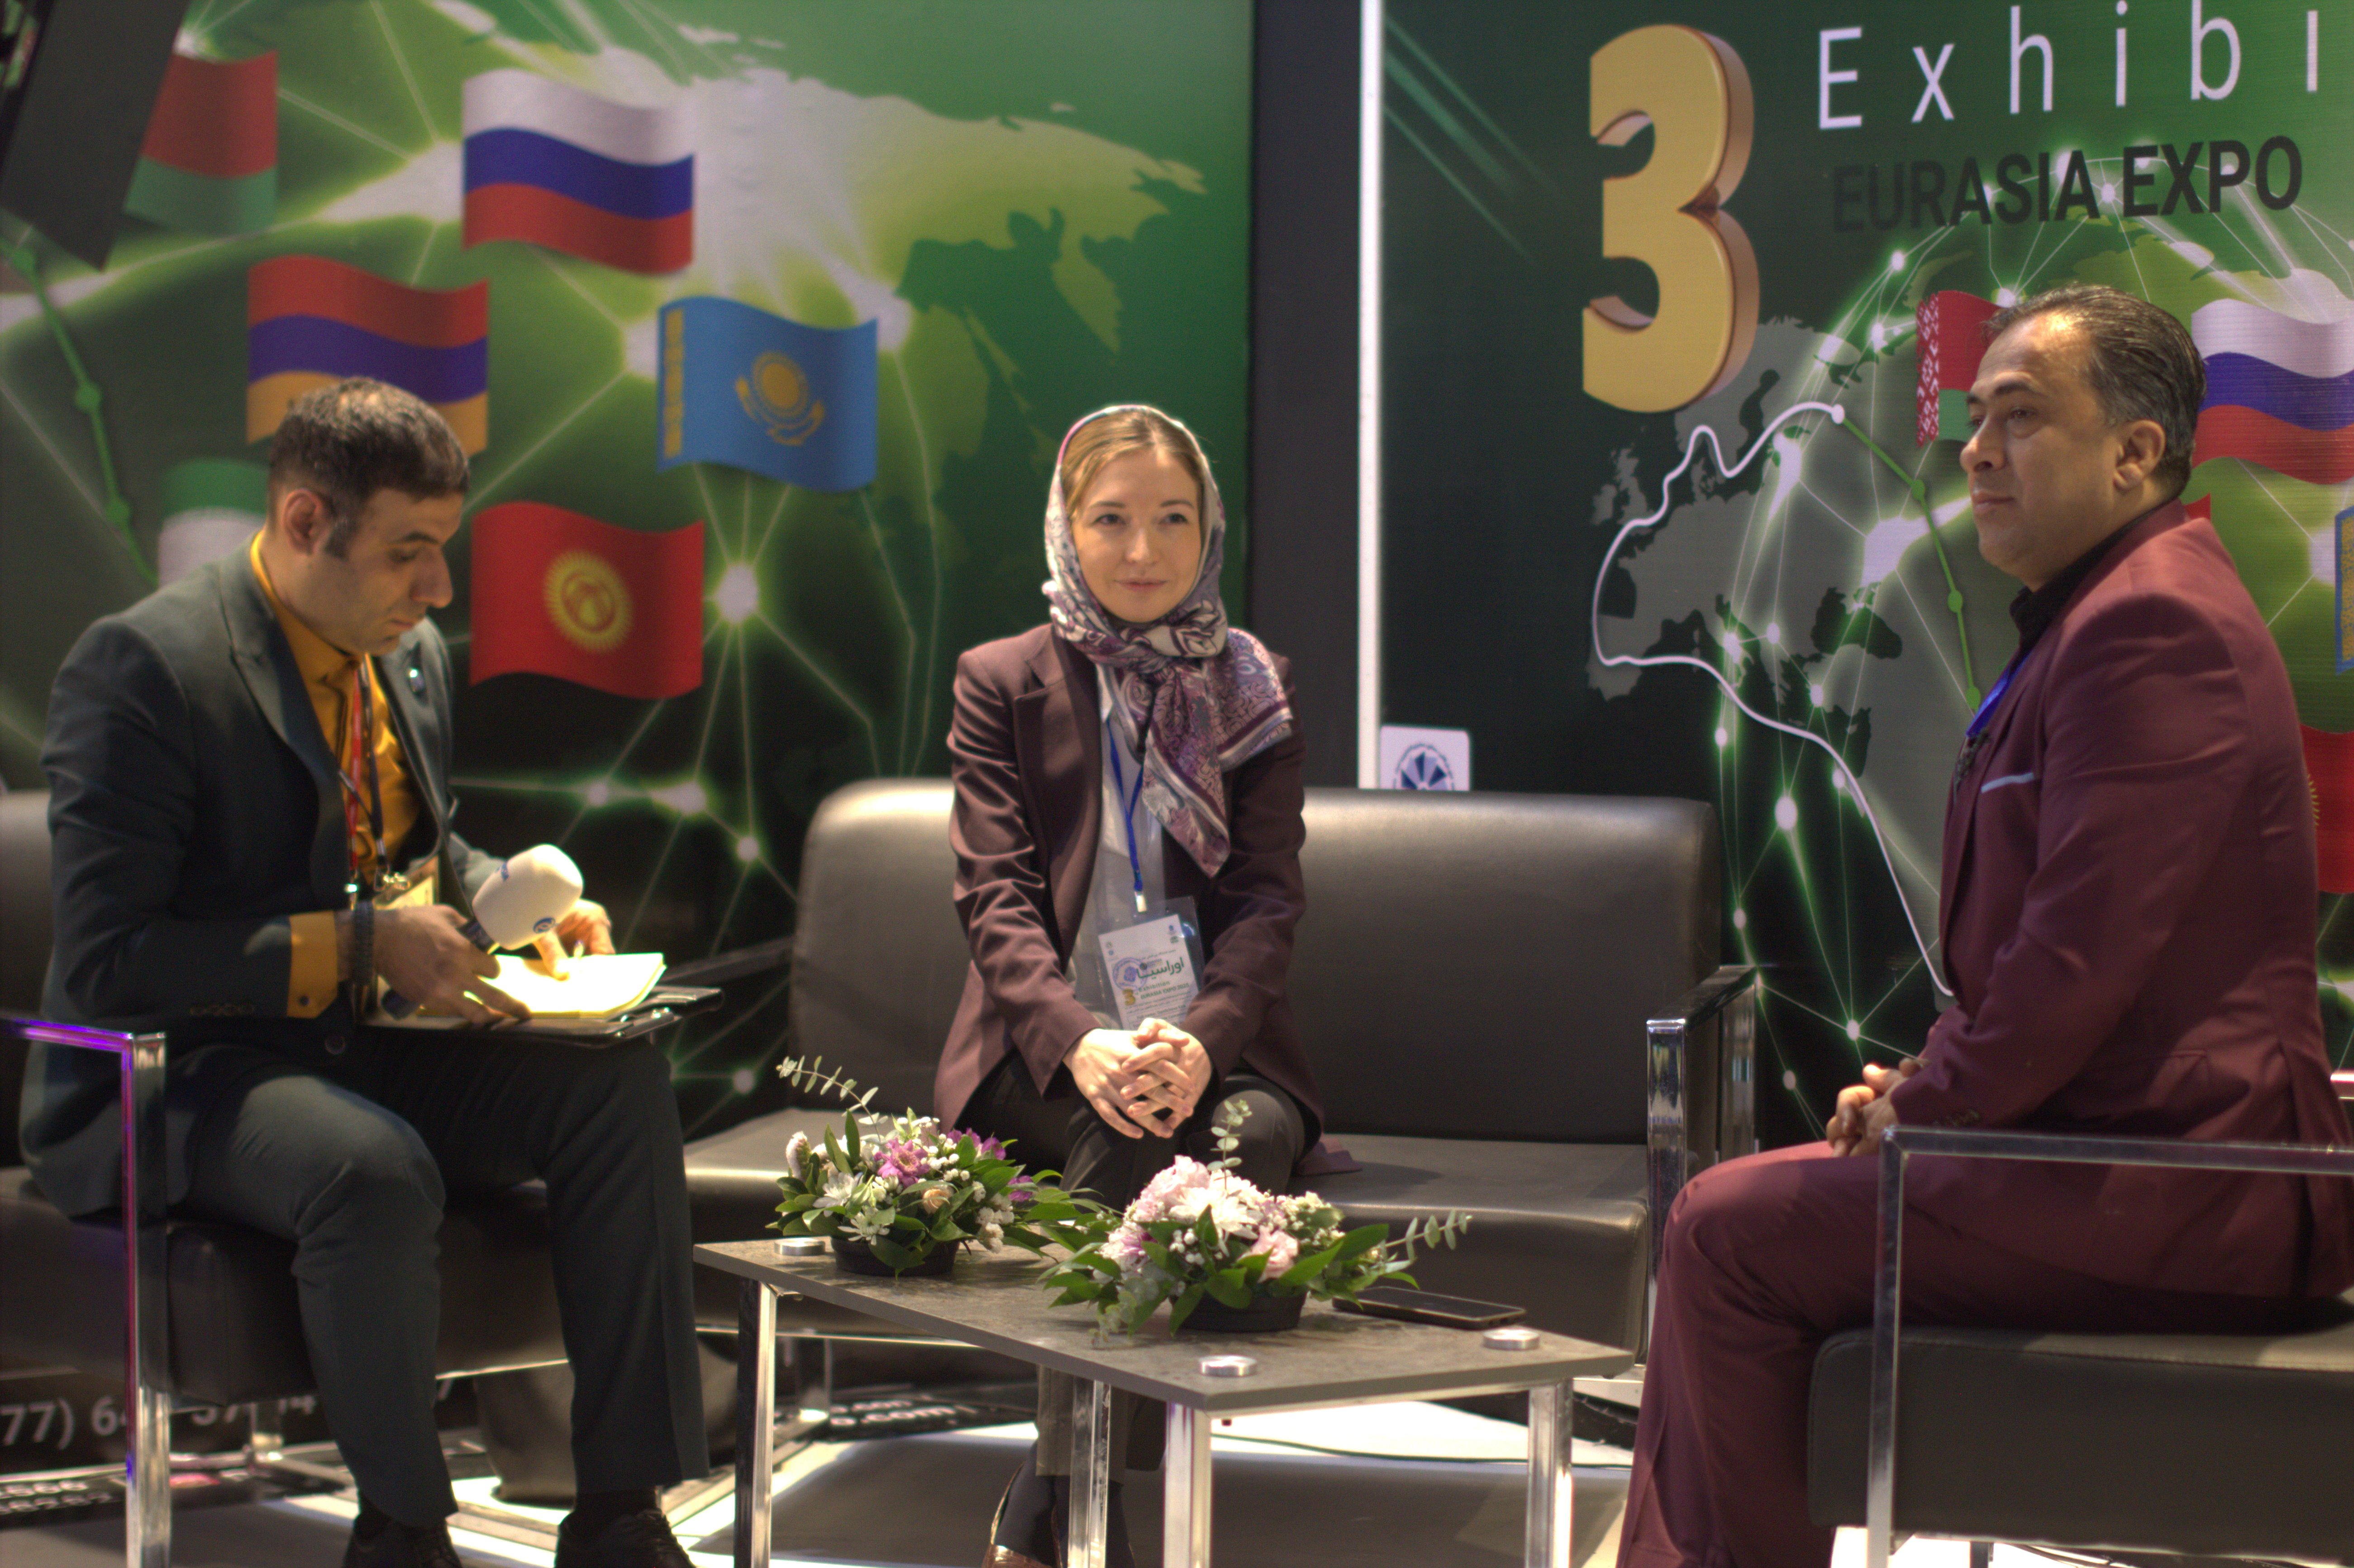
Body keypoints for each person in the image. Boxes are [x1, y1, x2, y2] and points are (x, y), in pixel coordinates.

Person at [1617, 284, 2354, 1568]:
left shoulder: (2152, 625)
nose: (1975, 451)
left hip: (2175, 1185)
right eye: (1973, 419)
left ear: (2135, 451)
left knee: (1727, 1233)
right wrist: (1924, 1082)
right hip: (2106, 1154)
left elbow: (2074, 965)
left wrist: (1926, 1103)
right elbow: (2067, 963)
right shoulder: (2102, 610)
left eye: (2020, 417)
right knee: (1730, 1219)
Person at [24, 380, 706, 1568]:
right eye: (408, 552)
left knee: (618, 1088)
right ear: (305, 522)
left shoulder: (409, 654)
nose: (438, 589)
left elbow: (415, 851)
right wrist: (357, 946)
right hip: (179, 1074)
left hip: (359, 1042)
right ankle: (403, 1533)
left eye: (444, 549)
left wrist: (518, 904)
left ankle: (620, 1513)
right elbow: (111, 958)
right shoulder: (143, 669)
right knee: (369, 1166)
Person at [936, 405, 1333, 1568]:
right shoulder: (1001, 680)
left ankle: (1052, 1500)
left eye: (1173, 518)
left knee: (1248, 1138)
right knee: (1129, 1136)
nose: (1144, 550)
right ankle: (1091, 1516)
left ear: (1211, 529)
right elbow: (996, 895)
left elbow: (1267, 901)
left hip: (1213, 1047)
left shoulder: (1253, 685)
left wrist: (1202, 1041)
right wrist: (1080, 1038)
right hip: (1045, 1051)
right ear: (1065, 527)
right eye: (1111, 519)